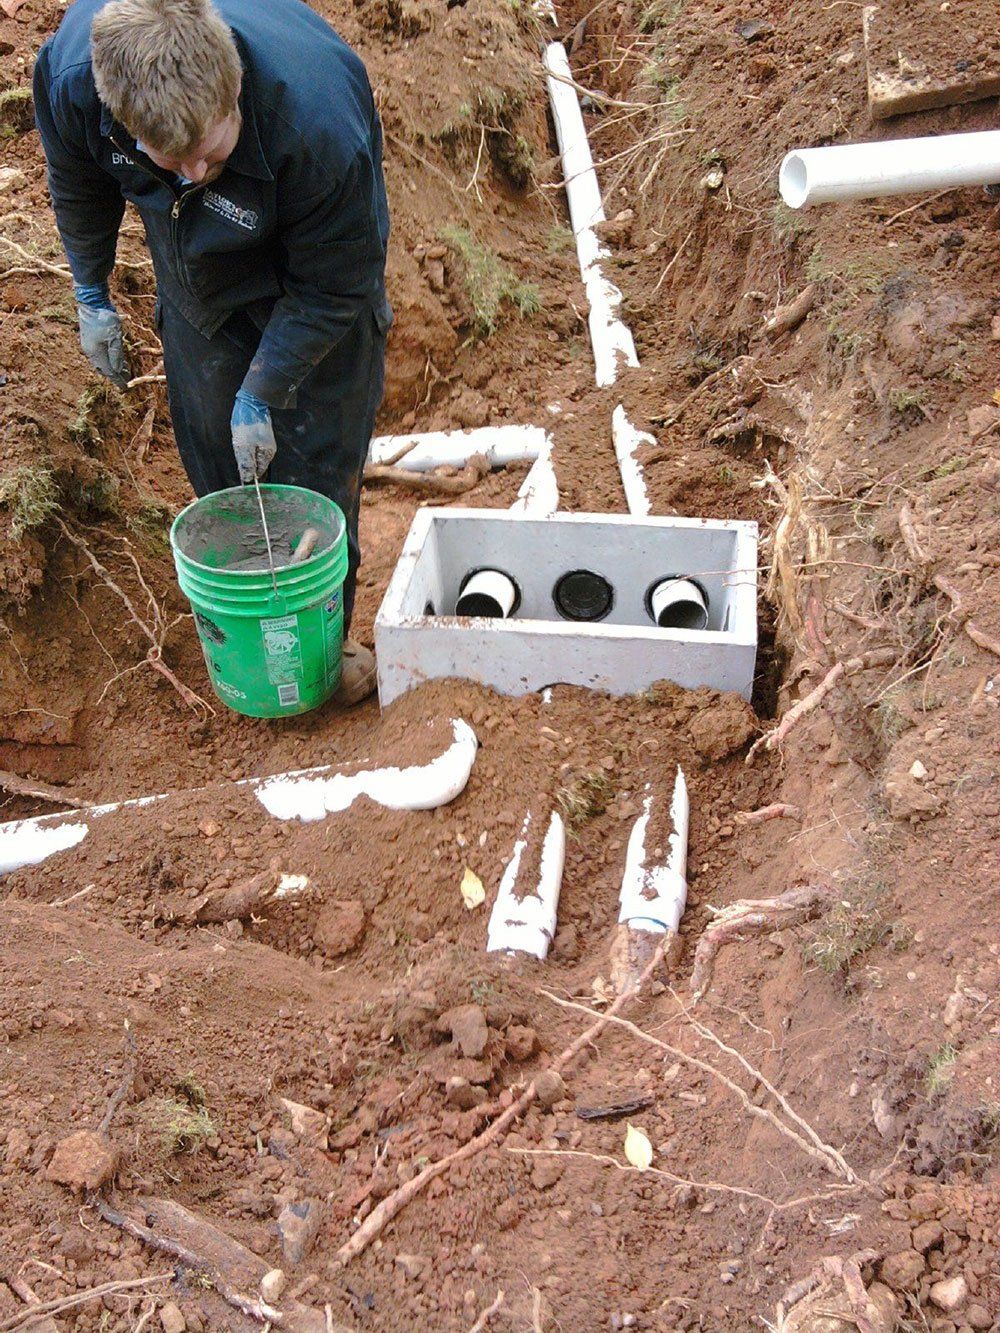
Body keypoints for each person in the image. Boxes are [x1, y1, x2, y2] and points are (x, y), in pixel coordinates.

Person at [33, 0, 391, 704]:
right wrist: (90, 289)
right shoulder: (78, 76)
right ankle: (255, 639)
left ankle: (321, 645)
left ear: (234, 89)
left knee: (318, 464)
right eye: (174, 159)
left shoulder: (320, 121)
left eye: (214, 153)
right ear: (124, 122)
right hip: (198, 277)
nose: (196, 171)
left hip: (316, 278)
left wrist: (264, 389)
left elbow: (336, 283)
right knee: (215, 455)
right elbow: (76, 178)